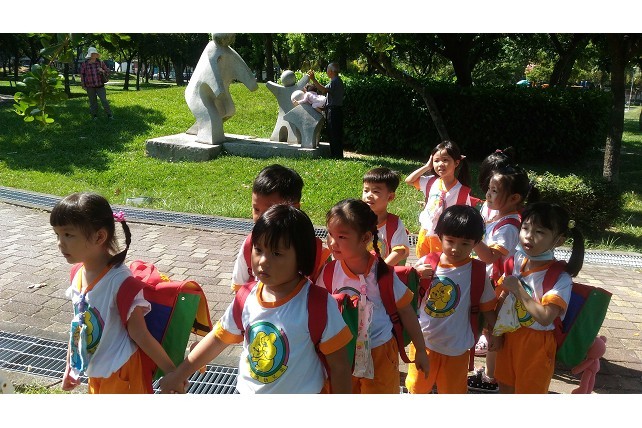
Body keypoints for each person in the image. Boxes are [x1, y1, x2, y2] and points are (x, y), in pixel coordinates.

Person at [159, 204, 353, 393]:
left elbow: (340, 367)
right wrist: (179, 375)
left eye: (277, 253)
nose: (263, 261)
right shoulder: (246, 297)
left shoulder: (318, 304)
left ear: (301, 256)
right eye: (258, 250)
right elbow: (218, 339)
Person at [50, 192, 175, 393]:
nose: (60, 242)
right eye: (57, 234)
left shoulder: (120, 281)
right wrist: (71, 366)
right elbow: (78, 327)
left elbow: (140, 334)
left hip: (122, 372)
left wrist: (173, 372)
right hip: (96, 371)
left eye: (68, 235)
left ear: (100, 236)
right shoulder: (77, 273)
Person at [316, 199, 429, 393]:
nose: (332, 242)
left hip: (380, 352)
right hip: (343, 352)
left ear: (365, 237)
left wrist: (420, 349)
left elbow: (407, 312)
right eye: (330, 234)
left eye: (342, 236)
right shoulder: (329, 272)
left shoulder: (383, 274)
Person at [406, 205, 499, 394]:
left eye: (465, 243)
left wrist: (496, 334)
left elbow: (488, 308)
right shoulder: (427, 263)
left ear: (476, 243)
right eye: (450, 241)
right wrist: (414, 275)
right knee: (417, 388)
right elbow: (406, 296)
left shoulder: (477, 272)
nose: (456, 249)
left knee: (452, 391)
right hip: (424, 343)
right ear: (440, 236)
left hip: (458, 348)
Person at [494, 202, 584, 393]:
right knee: (505, 387)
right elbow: (504, 295)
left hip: (536, 345)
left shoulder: (560, 278)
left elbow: (545, 318)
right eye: (525, 228)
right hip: (509, 335)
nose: (529, 236)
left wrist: (519, 289)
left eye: (540, 232)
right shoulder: (517, 260)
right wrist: (495, 332)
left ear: (559, 240)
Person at [467, 164, 539, 393]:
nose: (488, 194)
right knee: (492, 330)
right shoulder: (501, 218)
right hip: (495, 282)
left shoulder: (509, 226)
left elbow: (490, 256)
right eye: (489, 188)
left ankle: (491, 378)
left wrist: (473, 238)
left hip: (499, 285)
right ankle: (493, 373)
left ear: (514, 198)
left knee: (494, 330)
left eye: (495, 190)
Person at [230, 164, 332, 292]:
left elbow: (325, 297)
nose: (261, 218)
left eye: (269, 211)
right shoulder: (250, 244)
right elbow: (240, 289)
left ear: (294, 208)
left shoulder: (318, 254)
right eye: (256, 209)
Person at [405, 140, 473, 259]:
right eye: (436, 160)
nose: (440, 164)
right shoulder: (431, 182)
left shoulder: (462, 191)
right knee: (422, 263)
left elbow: (465, 218)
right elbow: (409, 180)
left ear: (456, 163)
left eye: (445, 160)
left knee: (440, 265)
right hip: (425, 233)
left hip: (444, 237)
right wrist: (427, 166)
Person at [362, 167, 410, 266]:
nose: (369, 195)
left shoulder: (394, 224)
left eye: (376, 191)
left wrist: (380, 270)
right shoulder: (355, 220)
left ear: (390, 197)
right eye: (366, 190)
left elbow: (399, 251)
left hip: (385, 272)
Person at [308, 62, 345, 159]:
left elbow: (323, 90)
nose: (326, 71)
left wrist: (313, 79)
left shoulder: (335, 81)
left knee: (334, 133)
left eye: (327, 69)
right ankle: (337, 154)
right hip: (335, 110)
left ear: (332, 71)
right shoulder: (337, 81)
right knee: (335, 132)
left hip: (334, 110)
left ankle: (336, 155)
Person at [79, 47, 113, 120]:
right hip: (90, 86)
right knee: (93, 102)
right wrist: (83, 84)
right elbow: (82, 75)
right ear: (89, 54)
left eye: (95, 53)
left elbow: (108, 71)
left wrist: (103, 71)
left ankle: (109, 115)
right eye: (92, 53)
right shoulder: (85, 64)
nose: (94, 55)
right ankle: (94, 116)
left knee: (104, 100)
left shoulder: (100, 62)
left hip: (100, 85)